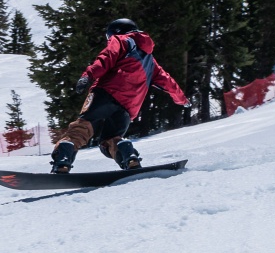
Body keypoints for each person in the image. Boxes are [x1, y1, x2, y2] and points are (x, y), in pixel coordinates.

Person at [50, 18, 189, 174]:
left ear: (115, 32)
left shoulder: (121, 40)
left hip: (105, 94)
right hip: (127, 108)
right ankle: (129, 157)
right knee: (110, 140)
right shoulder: (150, 60)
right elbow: (168, 82)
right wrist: (182, 99)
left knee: (82, 128)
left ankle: (62, 161)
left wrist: (88, 75)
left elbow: (107, 57)